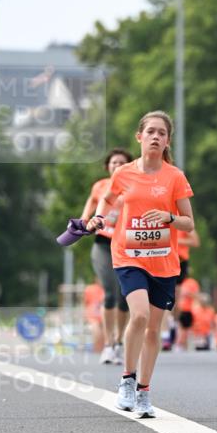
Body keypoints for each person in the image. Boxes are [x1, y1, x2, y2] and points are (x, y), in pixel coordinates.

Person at [86, 110, 194, 418]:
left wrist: (169, 217)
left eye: (162, 133)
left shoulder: (175, 176)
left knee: (153, 330)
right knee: (140, 315)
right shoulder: (124, 174)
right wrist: (97, 220)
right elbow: (106, 202)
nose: (156, 137)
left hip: (163, 262)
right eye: (151, 132)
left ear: (167, 140)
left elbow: (189, 223)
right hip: (129, 256)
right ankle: (127, 380)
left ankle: (145, 391)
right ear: (140, 137)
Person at [80, 149, 133, 364]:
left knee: (124, 296)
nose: (117, 166)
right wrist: (84, 223)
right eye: (113, 163)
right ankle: (109, 344)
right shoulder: (100, 187)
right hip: (103, 243)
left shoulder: (135, 185)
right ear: (107, 166)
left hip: (127, 244)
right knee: (110, 292)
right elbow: (87, 212)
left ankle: (119, 341)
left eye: (122, 162)